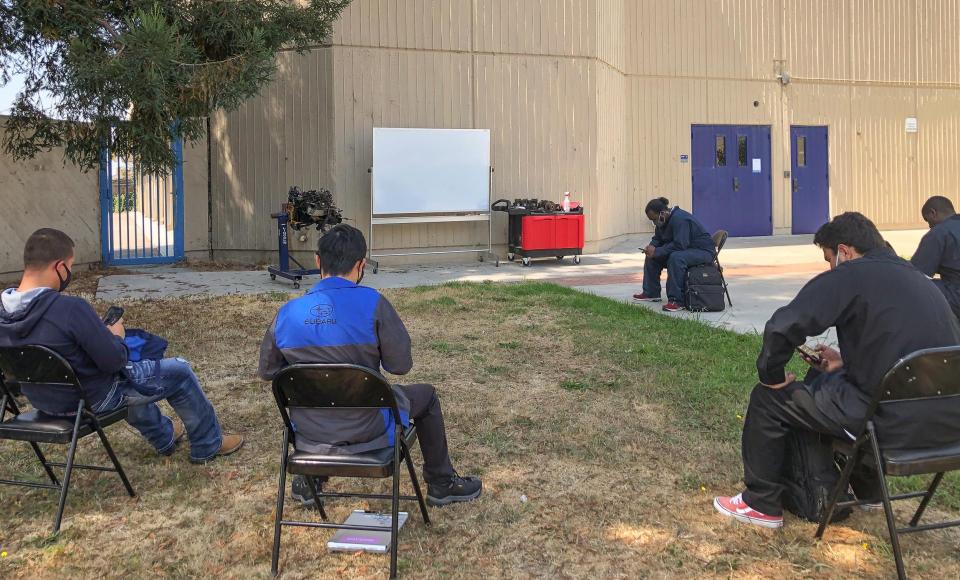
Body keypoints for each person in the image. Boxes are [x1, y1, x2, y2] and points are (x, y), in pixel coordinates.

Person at [713, 212, 960, 528]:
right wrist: (845, 361)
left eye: (829, 259)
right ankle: (869, 491)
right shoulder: (918, 279)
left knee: (768, 397)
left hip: (888, 427)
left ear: (845, 251)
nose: (830, 267)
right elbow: (912, 353)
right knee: (825, 375)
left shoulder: (851, 275)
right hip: (947, 426)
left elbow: (782, 326)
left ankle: (760, 503)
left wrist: (772, 376)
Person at [258, 224, 482, 508]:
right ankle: (441, 483)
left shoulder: (286, 314)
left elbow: (268, 372)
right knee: (427, 396)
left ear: (318, 261)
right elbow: (400, 366)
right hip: (371, 428)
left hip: (311, 436)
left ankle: (310, 478)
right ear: (361, 264)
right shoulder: (373, 303)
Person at [0, 229, 243, 463]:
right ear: (59, 267)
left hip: (44, 401)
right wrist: (115, 336)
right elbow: (114, 361)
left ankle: (164, 436)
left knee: (130, 376)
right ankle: (207, 444)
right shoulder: (70, 309)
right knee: (176, 370)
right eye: (71, 267)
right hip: (92, 400)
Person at [632, 197, 716, 312]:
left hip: (703, 251)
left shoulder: (680, 219)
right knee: (652, 258)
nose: (655, 222)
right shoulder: (663, 221)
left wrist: (657, 251)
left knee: (676, 258)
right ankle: (651, 293)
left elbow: (680, 245)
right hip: (687, 250)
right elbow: (657, 239)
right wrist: (651, 247)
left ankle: (677, 301)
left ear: (663, 212)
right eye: (652, 221)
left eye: (655, 219)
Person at [911, 195, 960, 318]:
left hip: (956, 296)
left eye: (927, 220)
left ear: (933, 213)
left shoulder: (939, 233)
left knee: (913, 284)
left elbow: (917, 272)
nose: (929, 226)